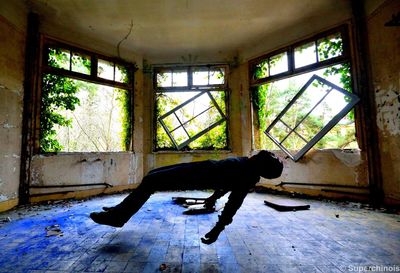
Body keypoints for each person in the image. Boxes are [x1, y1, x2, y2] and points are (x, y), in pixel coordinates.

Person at [90, 150, 283, 244]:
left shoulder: (247, 176)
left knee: (151, 181)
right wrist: (213, 198)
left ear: (263, 167)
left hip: (196, 176)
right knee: (151, 175)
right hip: (201, 167)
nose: (269, 154)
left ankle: (118, 217)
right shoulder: (247, 166)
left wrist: (217, 230)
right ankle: (119, 211)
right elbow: (226, 185)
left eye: (271, 158)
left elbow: (233, 204)